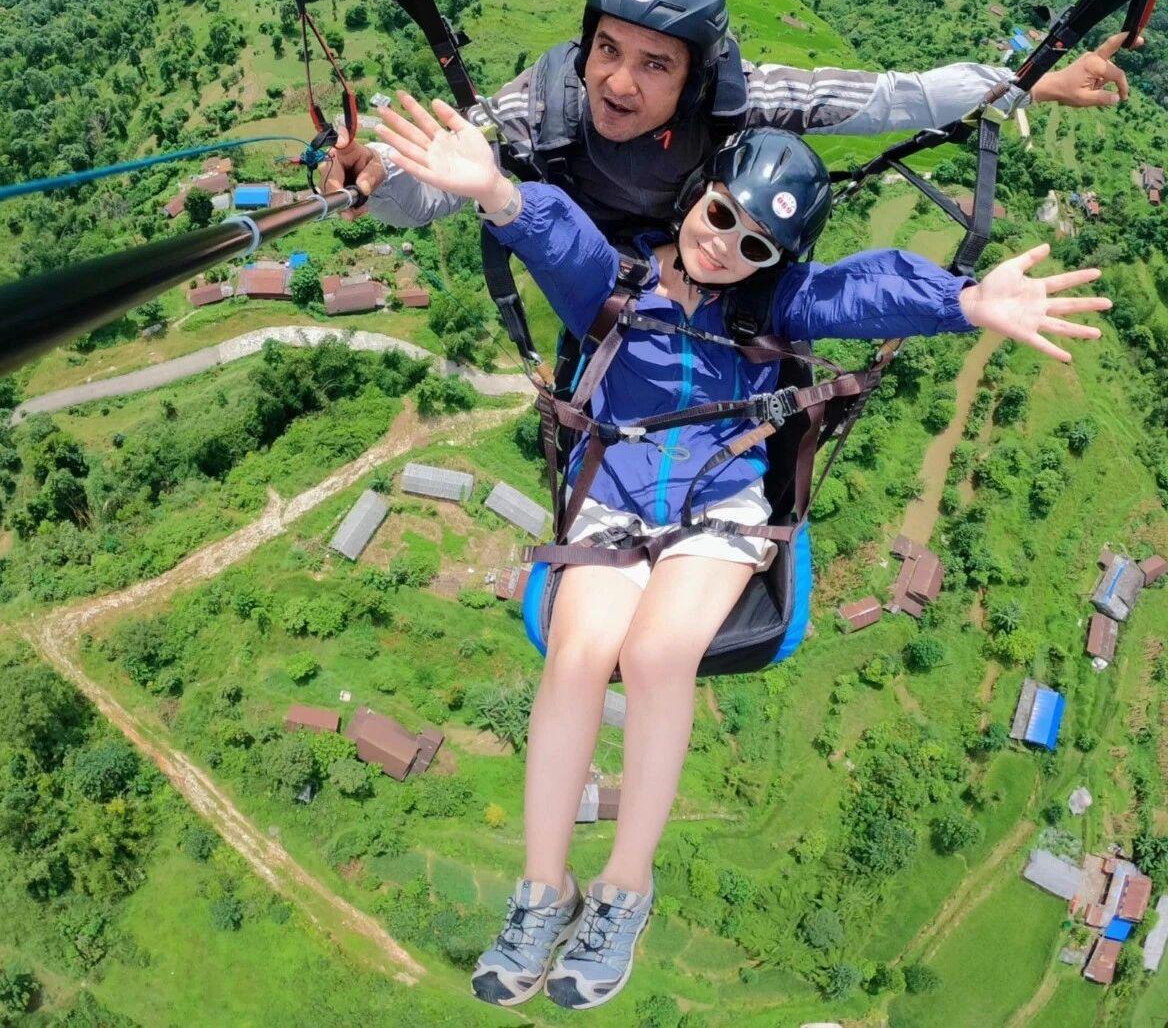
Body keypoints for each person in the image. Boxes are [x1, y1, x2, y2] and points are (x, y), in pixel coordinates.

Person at [374, 93, 1110, 1013]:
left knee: (654, 653)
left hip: (720, 503)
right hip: (617, 494)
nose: (725, 246)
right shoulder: (614, 284)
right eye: (720, 216)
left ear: (773, 263)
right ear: (697, 194)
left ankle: (625, 893)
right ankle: (541, 890)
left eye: (755, 244)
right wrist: (493, 190)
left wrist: (961, 302)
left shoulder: (773, 310)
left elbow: (863, 289)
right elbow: (555, 237)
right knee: (574, 656)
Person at [326, 0, 1135, 241]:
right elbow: (430, 195)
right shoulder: (543, 104)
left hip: (702, 257)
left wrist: (1031, 82)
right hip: (590, 264)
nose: (617, 80)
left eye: (654, 64)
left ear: (696, 77)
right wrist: (374, 179)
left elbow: (897, 100)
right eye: (607, 49)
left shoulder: (743, 101)